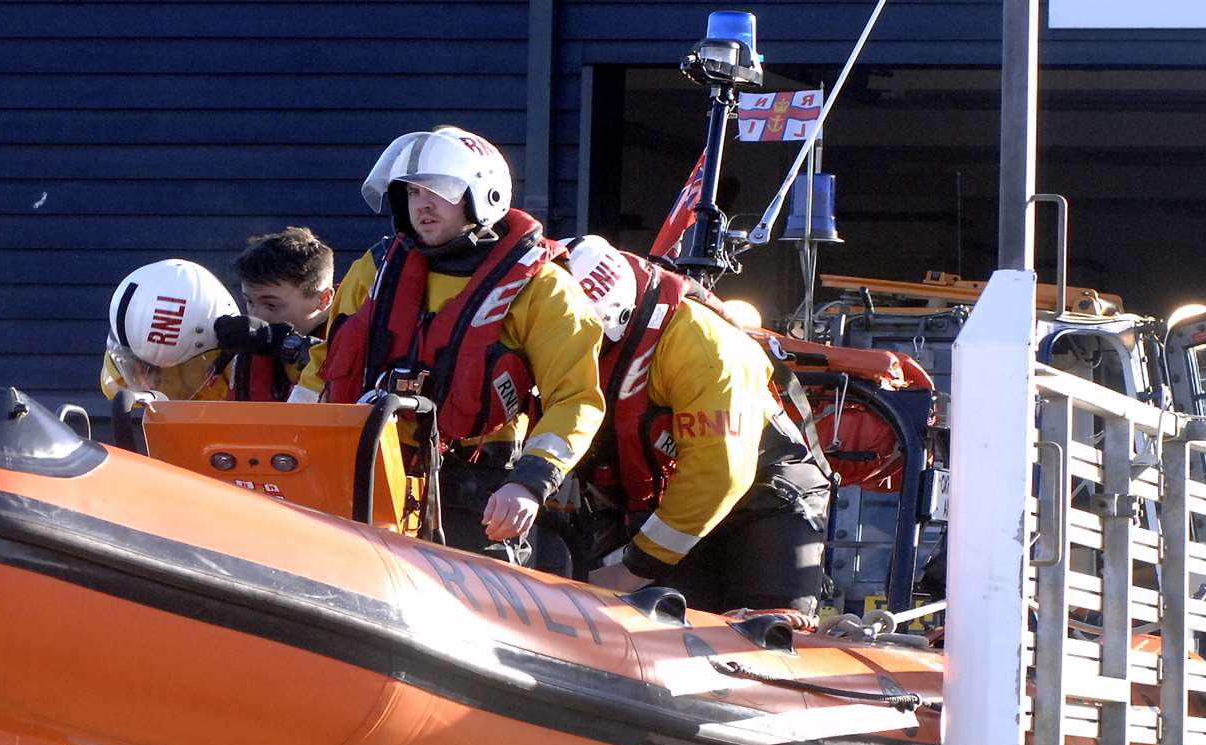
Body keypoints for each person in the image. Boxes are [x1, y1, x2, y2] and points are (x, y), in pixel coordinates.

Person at [296, 128, 606, 559]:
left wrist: (528, 483)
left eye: (438, 190)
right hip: (367, 466)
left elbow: (576, 401)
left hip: (478, 479)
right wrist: (288, 437)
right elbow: (323, 367)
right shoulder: (376, 268)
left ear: (484, 194)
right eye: (411, 192)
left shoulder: (544, 289)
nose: (422, 203)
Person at [562, 236, 830, 615]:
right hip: (654, 503)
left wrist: (636, 569)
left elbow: (719, 472)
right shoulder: (551, 337)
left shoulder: (703, 345)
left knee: (765, 629)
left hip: (760, 495)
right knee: (650, 626)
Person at [213, 227, 335, 402]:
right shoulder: (238, 347)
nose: (255, 315)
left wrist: (287, 344)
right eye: (249, 301)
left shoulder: (362, 335)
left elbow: (344, 366)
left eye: (271, 305)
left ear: (323, 300)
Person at [99, 259, 241, 402]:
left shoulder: (236, 362)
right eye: (142, 364)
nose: (148, 383)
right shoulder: (125, 353)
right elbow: (118, 390)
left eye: (158, 370)